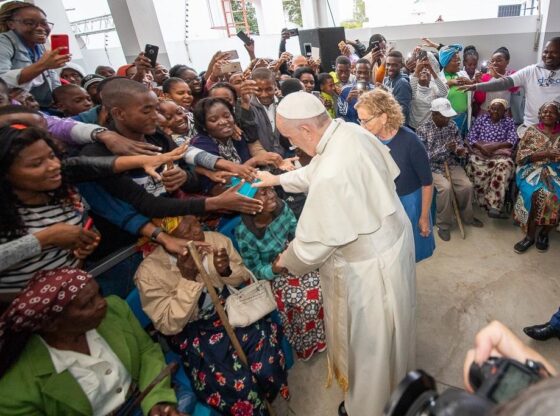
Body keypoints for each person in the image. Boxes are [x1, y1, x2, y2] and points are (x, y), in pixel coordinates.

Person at [254, 92, 416, 416]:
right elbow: (315, 171)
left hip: (371, 270)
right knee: (395, 335)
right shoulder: (349, 132)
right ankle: (397, 390)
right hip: (393, 243)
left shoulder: (332, 170)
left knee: (371, 346)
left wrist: (283, 263)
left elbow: (312, 246)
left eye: (290, 138)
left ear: (307, 131)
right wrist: (276, 179)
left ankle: (367, 408)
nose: (292, 147)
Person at [0, 123, 190, 299]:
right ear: (5, 172)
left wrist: (84, 243)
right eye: (36, 164)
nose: (53, 166)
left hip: (73, 299)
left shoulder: (62, 192)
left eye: (51, 156)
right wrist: (45, 238)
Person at [134, 215, 289, 415]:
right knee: (236, 387)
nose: (198, 230)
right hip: (192, 330)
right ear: (167, 237)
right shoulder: (149, 272)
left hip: (229, 309)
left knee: (267, 366)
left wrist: (224, 271)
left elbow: (242, 276)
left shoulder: (214, 240)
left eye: (196, 222)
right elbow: (167, 325)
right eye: (187, 229)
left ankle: (266, 397)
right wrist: (188, 279)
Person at [0, 267, 181, 415]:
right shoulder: (15, 391)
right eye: (88, 304)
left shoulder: (113, 311)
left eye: (99, 294)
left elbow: (147, 352)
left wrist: (158, 401)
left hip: (142, 399)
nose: (102, 303)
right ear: (51, 324)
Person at [235, 186, 327, 360]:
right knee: (307, 299)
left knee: (327, 278)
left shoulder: (282, 208)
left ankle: (325, 333)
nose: (272, 194)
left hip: (293, 257)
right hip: (272, 274)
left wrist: (299, 249)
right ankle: (307, 344)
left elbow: (297, 233)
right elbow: (255, 270)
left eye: (270, 189)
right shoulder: (245, 233)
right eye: (263, 193)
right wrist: (274, 269)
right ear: (248, 204)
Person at [356, 89, 435, 262]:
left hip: (409, 204)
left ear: (384, 118)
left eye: (366, 121)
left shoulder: (410, 141)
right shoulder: (369, 139)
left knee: (409, 252)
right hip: (384, 202)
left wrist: (423, 217)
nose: (362, 126)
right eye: (360, 121)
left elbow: (427, 183)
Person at [417, 98, 483, 241]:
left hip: (451, 162)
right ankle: (444, 225)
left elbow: (460, 145)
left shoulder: (452, 126)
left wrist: (458, 150)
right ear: (434, 114)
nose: (448, 119)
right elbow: (423, 157)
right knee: (445, 188)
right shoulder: (422, 129)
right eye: (444, 116)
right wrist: (444, 148)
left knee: (467, 186)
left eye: (449, 116)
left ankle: (468, 217)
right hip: (432, 167)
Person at [464, 38, 560, 131]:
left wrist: (498, 77)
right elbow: (483, 96)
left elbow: (512, 88)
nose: (548, 55)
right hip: (531, 126)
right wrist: (477, 85)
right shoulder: (531, 71)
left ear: (507, 61)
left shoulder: (510, 73)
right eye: (546, 51)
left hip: (555, 127)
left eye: (554, 52)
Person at [0, 1, 69, 108]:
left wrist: (61, 100)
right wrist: (43, 65)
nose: (40, 28)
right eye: (29, 23)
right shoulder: (3, 42)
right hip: (20, 109)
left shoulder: (38, 46)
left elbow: (52, 78)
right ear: (11, 24)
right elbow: (2, 80)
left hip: (46, 106)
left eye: (44, 23)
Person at [512, 102, 560, 254]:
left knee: (556, 196)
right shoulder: (531, 131)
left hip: (556, 171)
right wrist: (545, 154)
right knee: (536, 194)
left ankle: (544, 233)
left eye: (552, 112)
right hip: (531, 169)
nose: (547, 114)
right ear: (539, 114)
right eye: (544, 112)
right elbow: (520, 158)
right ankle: (530, 236)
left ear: (558, 116)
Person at [465, 98, 518, 218]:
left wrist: (494, 147)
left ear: (504, 111)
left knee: (506, 165)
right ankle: (483, 202)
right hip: (480, 152)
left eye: (499, 110)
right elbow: (471, 137)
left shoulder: (509, 121)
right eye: (493, 108)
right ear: (488, 109)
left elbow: (512, 140)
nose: (495, 111)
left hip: (500, 154)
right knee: (473, 164)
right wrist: (482, 147)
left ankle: (494, 206)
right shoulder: (481, 119)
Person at [438, 44, 472, 136]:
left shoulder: (463, 74)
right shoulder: (438, 77)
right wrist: (449, 83)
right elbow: (436, 96)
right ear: (446, 62)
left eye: (459, 60)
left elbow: (471, 96)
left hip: (464, 117)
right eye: (455, 60)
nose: (459, 62)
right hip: (447, 119)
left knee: (462, 143)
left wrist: (470, 82)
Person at [473, 47, 519, 114]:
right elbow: (479, 99)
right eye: (492, 61)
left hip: (503, 113)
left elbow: (514, 89)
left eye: (498, 60)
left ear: (507, 61)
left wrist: (498, 77)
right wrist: (478, 84)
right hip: (486, 112)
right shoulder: (485, 76)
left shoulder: (511, 74)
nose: (494, 63)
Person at [409, 54, 448, 129]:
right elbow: (411, 94)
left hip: (429, 128)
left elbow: (444, 92)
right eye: (421, 70)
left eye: (426, 70)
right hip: (414, 127)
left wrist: (432, 71)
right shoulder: (414, 87)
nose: (424, 71)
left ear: (431, 78)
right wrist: (417, 71)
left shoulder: (433, 88)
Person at [337, 58, 374, 124]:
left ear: (370, 73)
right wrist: (347, 101)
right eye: (359, 72)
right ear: (354, 72)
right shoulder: (345, 90)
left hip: (370, 131)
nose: (362, 76)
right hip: (352, 130)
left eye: (366, 73)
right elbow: (340, 115)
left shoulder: (375, 91)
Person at [383, 50, 412, 125]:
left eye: (394, 65)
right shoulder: (386, 80)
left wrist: (385, 95)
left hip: (397, 126)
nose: (390, 68)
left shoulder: (402, 83)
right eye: (388, 64)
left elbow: (402, 111)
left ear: (401, 65)